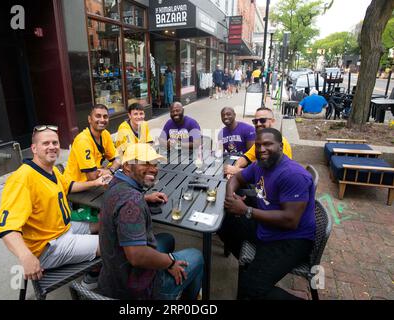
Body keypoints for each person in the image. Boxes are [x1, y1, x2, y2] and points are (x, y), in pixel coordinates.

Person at [0, 125, 108, 281]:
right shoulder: (22, 179)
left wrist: (95, 183)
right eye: (46, 143)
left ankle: (95, 269)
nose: (52, 147)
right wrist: (26, 256)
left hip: (62, 229)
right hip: (48, 248)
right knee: (113, 243)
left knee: (104, 223)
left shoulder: (51, 169)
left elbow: (68, 187)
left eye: (55, 143)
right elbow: (7, 228)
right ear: (34, 148)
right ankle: (93, 281)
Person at [218, 128, 316, 300]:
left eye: (268, 144)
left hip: (290, 238)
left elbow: (290, 220)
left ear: (280, 146)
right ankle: (251, 266)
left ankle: (254, 273)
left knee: (250, 290)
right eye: (258, 145)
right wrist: (231, 197)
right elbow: (236, 179)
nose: (261, 149)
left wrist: (246, 210)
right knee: (222, 222)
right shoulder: (260, 165)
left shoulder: (293, 174)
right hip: (266, 226)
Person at [97, 143, 204, 299]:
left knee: (167, 238)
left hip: (112, 274)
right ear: (127, 166)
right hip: (136, 290)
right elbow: (137, 255)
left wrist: (143, 197)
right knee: (197, 256)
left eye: (154, 164)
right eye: (145, 163)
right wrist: (170, 262)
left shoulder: (116, 183)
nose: (153, 169)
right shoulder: (131, 202)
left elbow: (122, 203)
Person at [64, 104, 121, 234]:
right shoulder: (83, 141)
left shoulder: (105, 134)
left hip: (94, 183)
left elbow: (118, 159)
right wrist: (108, 170)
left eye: (105, 116)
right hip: (75, 188)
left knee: (121, 185)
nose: (102, 119)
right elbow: (92, 176)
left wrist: (110, 170)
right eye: (98, 116)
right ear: (89, 119)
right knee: (117, 196)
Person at [224, 107, 292, 178]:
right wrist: (235, 168)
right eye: (255, 121)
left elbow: (272, 174)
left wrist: (237, 171)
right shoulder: (260, 142)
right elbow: (246, 157)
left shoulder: (280, 143)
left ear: (273, 121)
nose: (258, 124)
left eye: (262, 120)